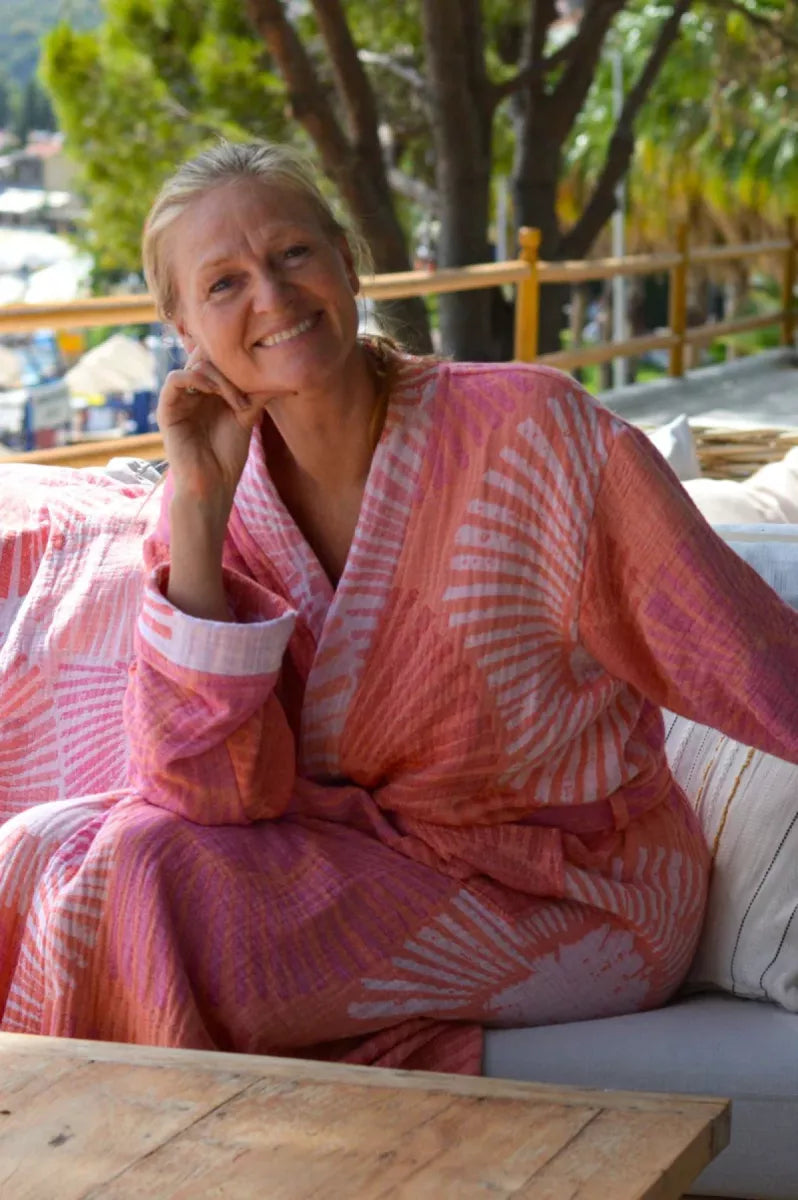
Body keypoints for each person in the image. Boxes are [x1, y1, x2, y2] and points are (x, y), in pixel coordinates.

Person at [2, 139, 798, 1074]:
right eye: (224, 283)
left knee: (147, 876)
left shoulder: (535, 435)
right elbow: (203, 793)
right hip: (365, 863)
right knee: (35, 851)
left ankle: (150, 1145)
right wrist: (200, 513)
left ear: (347, 261)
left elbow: (743, 654)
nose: (273, 294)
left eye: (293, 253)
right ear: (184, 329)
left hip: (578, 889)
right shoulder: (212, 498)